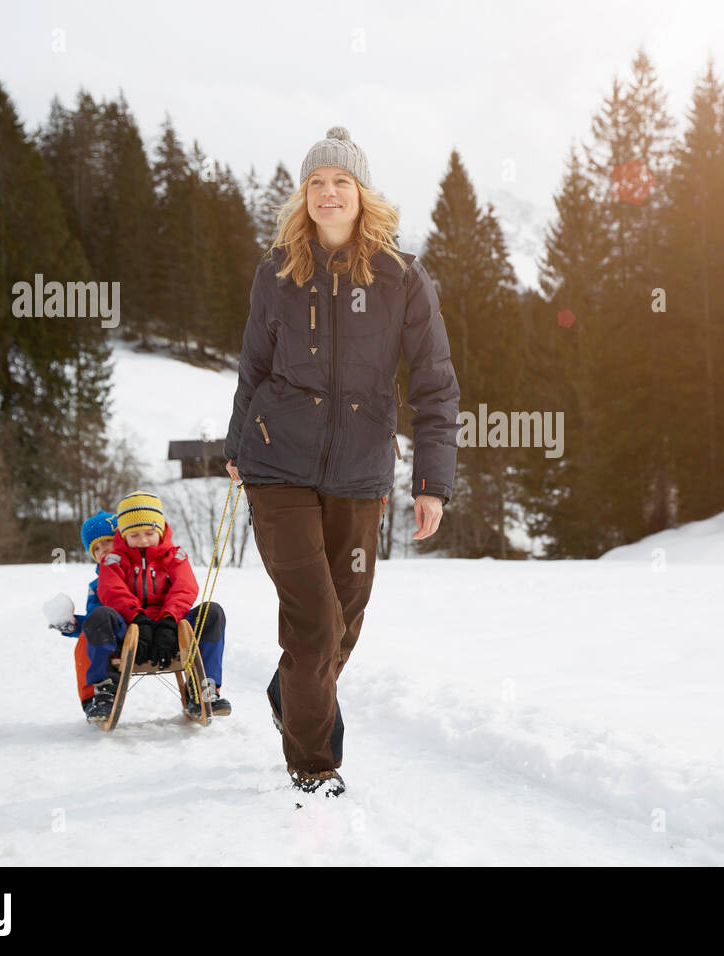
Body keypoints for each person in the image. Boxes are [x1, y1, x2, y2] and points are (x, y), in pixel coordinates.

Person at [222, 126, 459, 798]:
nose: (328, 193)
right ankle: (314, 765)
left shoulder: (401, 278)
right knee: (315, 620)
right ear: (303, 197)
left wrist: (431, 481)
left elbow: (436, 382)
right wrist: (238, 444)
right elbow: (254, 366)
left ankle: (290, 690)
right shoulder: (276, 273)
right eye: (317, 183)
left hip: (359, 474)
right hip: (276, 467)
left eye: (341, 182)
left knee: (342, 623)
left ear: (362, 195)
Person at [90, 489, 232, 717]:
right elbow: (112, 591)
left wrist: (168, 620)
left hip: (172, 628)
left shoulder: (176, 556)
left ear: (161, 529)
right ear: (123, 535)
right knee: (100, 616)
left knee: (212, 612)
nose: (143, 540)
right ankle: (104, 691)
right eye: (134, 535)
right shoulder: (113, 560)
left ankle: (204, 687)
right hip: (131, 630)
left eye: (149, 532)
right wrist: (138, 619)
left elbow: (184, 588)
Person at [41, 509, 123, 722]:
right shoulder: (96, 587)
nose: (102, 549)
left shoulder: (137, 573)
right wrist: (74, 625)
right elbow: (95, 621)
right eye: (96, 547)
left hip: (145, 634)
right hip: (114, 641)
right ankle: (93, 700)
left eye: (107, 541)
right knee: (86, 640)